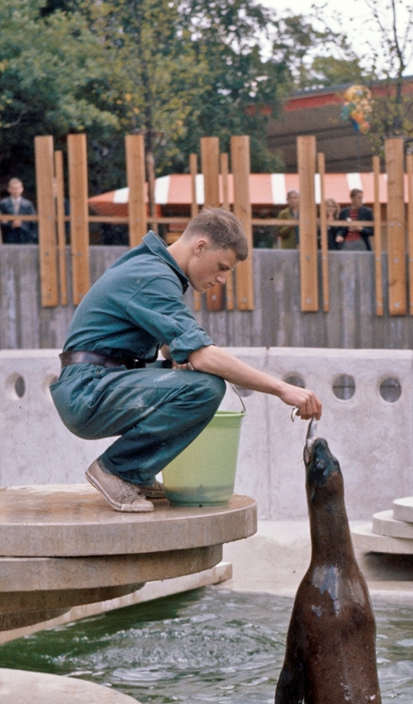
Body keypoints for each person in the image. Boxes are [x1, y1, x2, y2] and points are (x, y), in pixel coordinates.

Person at [54, 207, 321, 512]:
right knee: (204, 388)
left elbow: (171, 347)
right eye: (221, 266)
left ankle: (135, 475)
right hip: (87, 391)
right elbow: (204, 356)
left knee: (189, 374)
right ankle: (117, 471)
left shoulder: (154, 268)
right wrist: (281, 389)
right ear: (200, 246)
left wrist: (177, 357)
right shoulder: (152, 276)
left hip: (95, 382)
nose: (222, 279)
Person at [0, 177, 37, 245]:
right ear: (9, 189)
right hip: (9, 238)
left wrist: (22, 225)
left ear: (22, 189)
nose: (16, 190)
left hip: (25, 237)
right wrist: (11, 225)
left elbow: (33, 223)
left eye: (18, 188)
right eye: (13, 188)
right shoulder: (3, 204)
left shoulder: (28, 204)